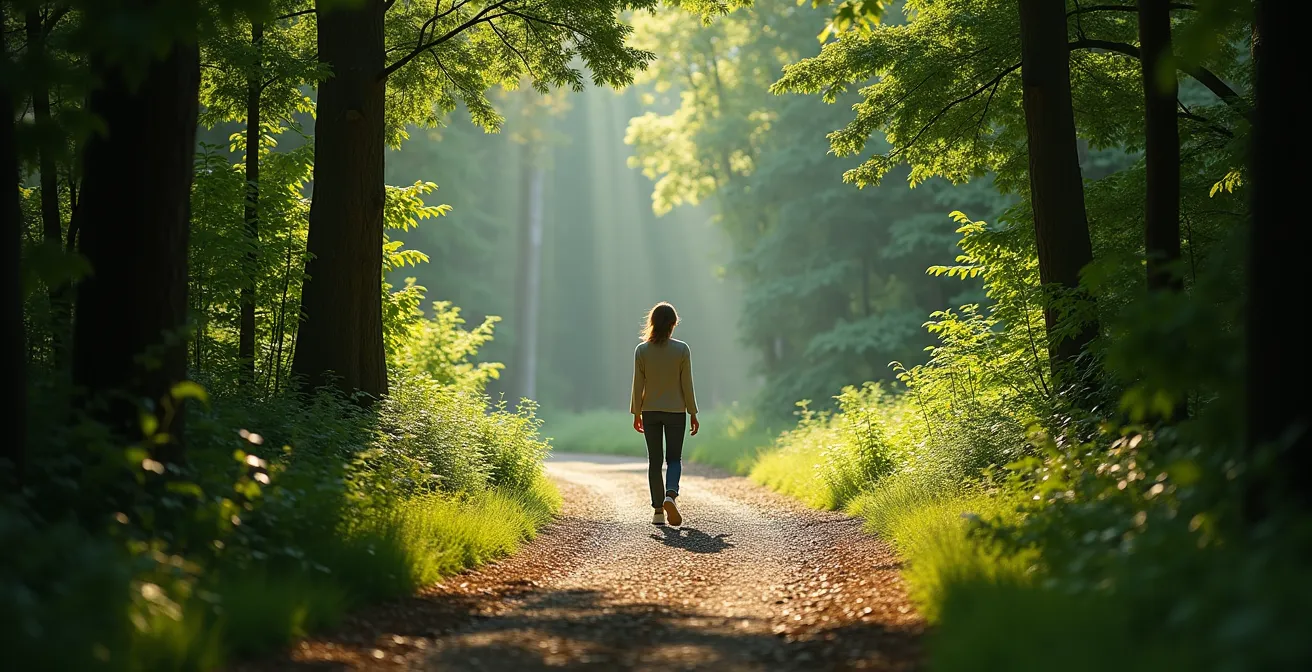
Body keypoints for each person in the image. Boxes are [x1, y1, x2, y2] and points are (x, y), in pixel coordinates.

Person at [630, 301, 699, 527]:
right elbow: (687, 385)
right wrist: (693, 412)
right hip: (676, 412)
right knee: (673, 458)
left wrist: (636, 413)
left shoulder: (642, 351)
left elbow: (637, 385)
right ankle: (671, 495)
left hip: (650, 411)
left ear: (652, 323)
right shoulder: (682, 350)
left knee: (655, 460)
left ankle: (658, 511)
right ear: (672, 324)